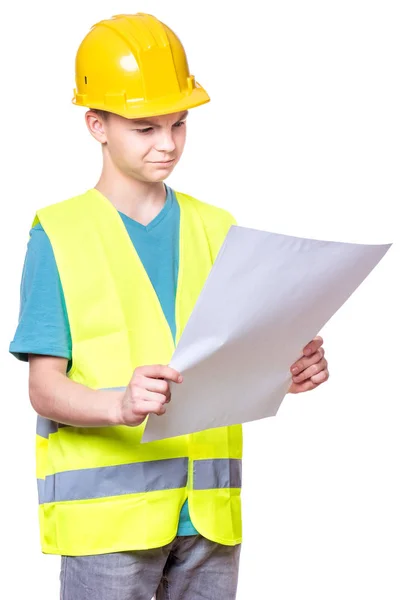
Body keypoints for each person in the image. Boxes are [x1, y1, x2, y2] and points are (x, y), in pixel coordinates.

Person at [9, 12, 329, 600]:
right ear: (96, 125)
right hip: (108, 525)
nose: (168, 144)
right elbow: (43, 388)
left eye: (179, 125)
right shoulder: (59, 233)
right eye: (145, 127)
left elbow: (226, 364)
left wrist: (286, 370)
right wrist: (119, 404)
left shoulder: (217, 227)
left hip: (208, 516)